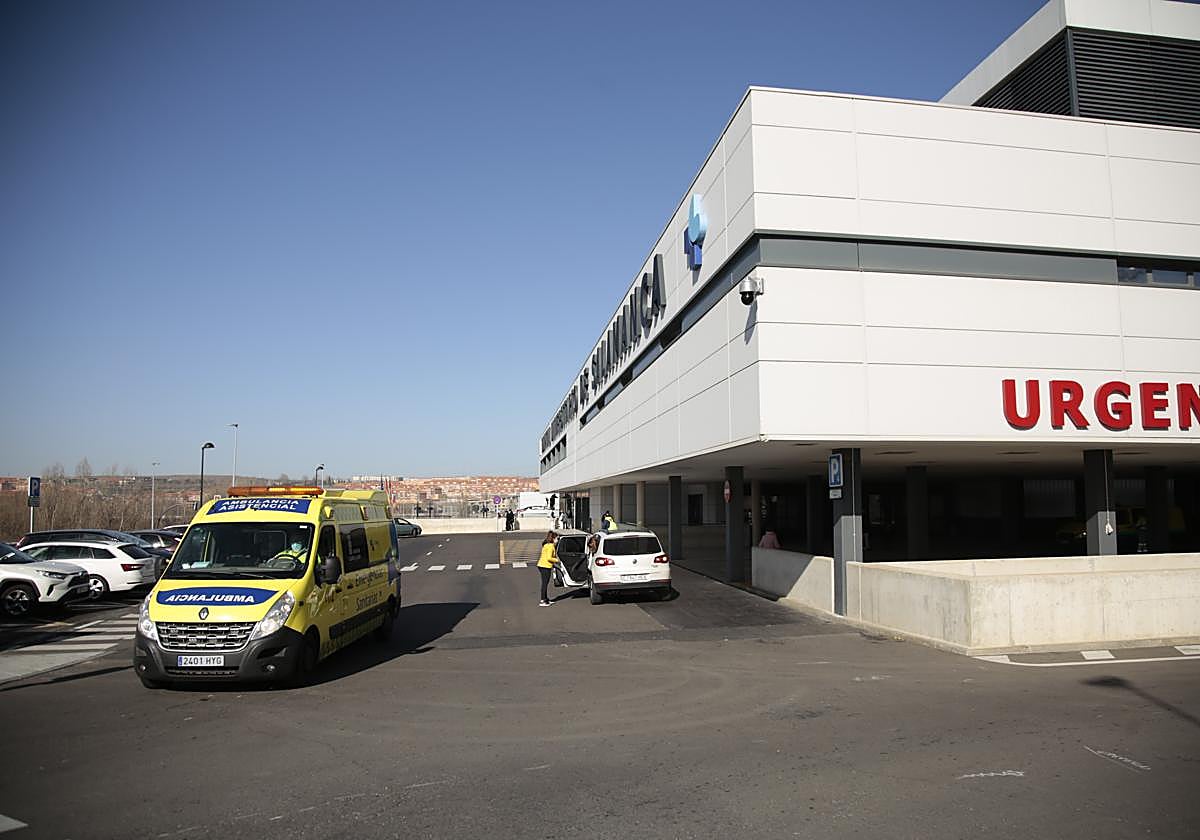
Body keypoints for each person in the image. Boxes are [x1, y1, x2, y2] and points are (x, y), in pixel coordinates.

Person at [536, 531, 559, 606]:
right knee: (545, 584)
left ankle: (546, 599)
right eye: (556, 538)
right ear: (553, 538)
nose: (557, 540)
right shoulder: (550, 546)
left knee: (545, 583)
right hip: (545, 566)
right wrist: (557, 560)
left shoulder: (546, 544)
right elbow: (549, 558)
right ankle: (543, 600)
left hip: (542, 565)